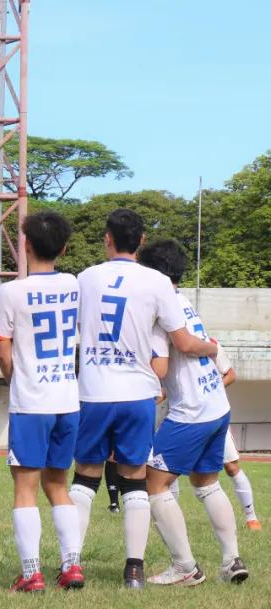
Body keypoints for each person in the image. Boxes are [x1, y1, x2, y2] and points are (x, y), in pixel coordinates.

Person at [68, 209, 217, 589]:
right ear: (142, 241)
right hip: (138, 393)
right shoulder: (156, 282)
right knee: (134, 478)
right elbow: (182, 342)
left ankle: (73, 564)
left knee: (85, 476)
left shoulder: (85, 278)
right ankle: (134, 569)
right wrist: (211, 348)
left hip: (94, 391)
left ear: (107, 239)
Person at [137, 240, 248, 585]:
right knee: (207, 483)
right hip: (217, 405)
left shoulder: (160, 306)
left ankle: (184, 567)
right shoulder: (184, 302)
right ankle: (232, 560)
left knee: (154, 484)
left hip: (191, 411)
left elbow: (167, 359)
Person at [0, 211, 84, 592]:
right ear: (63, 248)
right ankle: (72, 566)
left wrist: (18, 380)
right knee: (58, 485)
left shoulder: (10, 292)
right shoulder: (75, 284)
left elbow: (2, 348)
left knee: (25, 489)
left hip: (31, 402)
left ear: (25, 246)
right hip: (68, 399)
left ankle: (31, 572)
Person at [171, 347, 261, 531]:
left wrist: (211, 390)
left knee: (232, 467)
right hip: (181, 417)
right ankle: (170, 516)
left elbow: (230, 374)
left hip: (213, 415)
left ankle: (251, 518)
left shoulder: (210, 343)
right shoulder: (169, 346)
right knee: (168, 469)